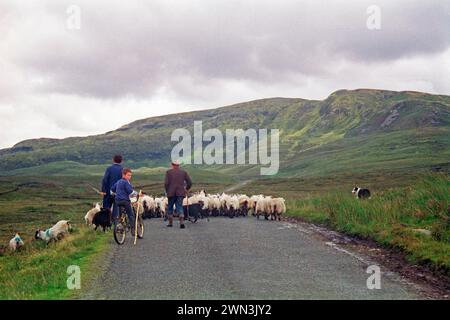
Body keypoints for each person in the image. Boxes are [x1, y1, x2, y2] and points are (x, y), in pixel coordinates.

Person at [164, 160, 192, 229]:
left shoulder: (168, 172)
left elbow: (166, 183)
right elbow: (190, 182)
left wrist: (167, 191)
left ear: (172, 165)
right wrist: (186, 189)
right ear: (178, 165)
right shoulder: (183, 172)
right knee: (179, 206)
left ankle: (170, 223)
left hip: (171, 193)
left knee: (170, 207)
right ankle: (181, 222)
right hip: (180, 193)